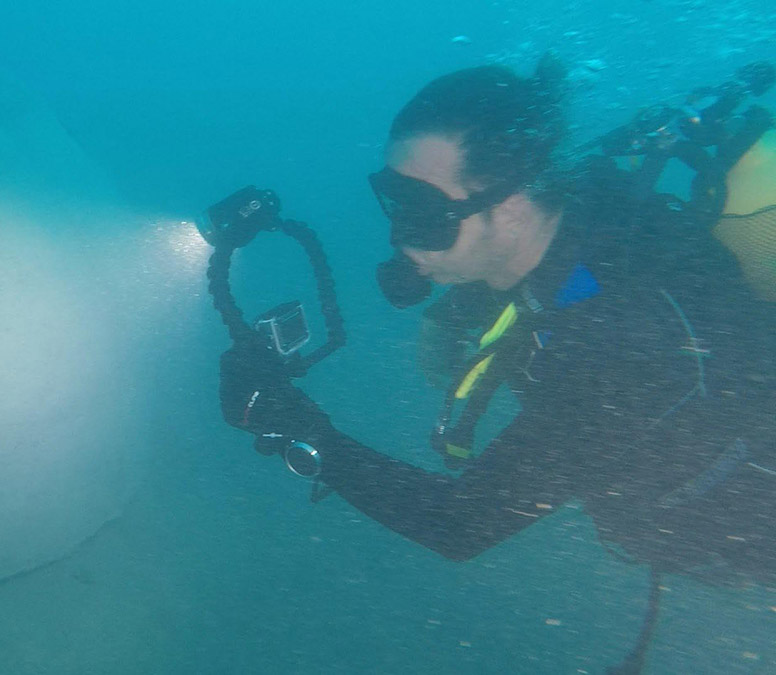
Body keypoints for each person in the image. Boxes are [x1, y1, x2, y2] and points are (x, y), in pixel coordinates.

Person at [217, 60, 776, 673]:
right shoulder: (582, 204)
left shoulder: (611, 353)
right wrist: (453, 308)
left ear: (510, 210)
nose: (400, 240)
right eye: (394, 202)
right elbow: (558, 276)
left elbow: (460, 524)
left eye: (423, 213)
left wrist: (300, 429)